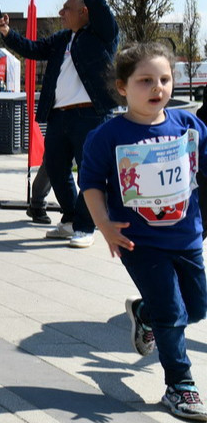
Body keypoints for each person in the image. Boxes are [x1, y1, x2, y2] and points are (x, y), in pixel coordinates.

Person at [79, 42, 207, 420]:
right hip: (139, 242)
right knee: (173, 312)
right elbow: (90, 183)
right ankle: (180, 386)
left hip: (187, 236)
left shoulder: (188, 126)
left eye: (164, 79)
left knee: (196, 306)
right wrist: (103, 225)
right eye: (145, 80)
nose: (157, 88)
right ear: (122, 87)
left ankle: (144, 313)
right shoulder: (108, 135)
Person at [0, 0, 119, 248]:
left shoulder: (102, 34)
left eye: (67, 8)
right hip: (59, 116)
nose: (61, 13)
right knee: (56, 168)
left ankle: (86, 227)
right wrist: (7, 33)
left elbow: (98, 1)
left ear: (84, 12)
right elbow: (32, 49)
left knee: (90, 171)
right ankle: (71, 219)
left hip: (91, 115)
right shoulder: (62, 39)